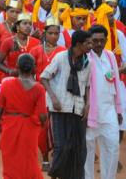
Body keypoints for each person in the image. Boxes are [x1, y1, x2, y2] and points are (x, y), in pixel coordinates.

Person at [40, 29, 92, 179]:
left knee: (78, 148)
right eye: (87, 43)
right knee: (62, 147)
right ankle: (55, 175)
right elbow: (44, 77)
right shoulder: (61, 57)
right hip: (60, 108)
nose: (90, 46)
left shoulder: (87, 62)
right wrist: (53, 98)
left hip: (78, 109)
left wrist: (88, 104)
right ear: (79, 44)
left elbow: (87, 86)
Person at [0, 53, 46, 179]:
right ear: (33, 68)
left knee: (10, 164)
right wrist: (42, 126)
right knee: (30, 163)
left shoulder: (7, 85)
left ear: (17, 66)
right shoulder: (39, 89)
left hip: (10, 128)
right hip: (29, 130)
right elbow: (42, 116)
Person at [83, 25, 122, 179]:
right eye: (95, 41)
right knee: (87, 151)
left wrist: (118, 110)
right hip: (89, 112)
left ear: (106, 40)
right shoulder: (85, 57)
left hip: (109, 111)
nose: (98, 44)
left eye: (101, 40)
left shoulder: (110, 56)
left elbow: (116, 83)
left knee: (112, 148)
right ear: (90, 41)